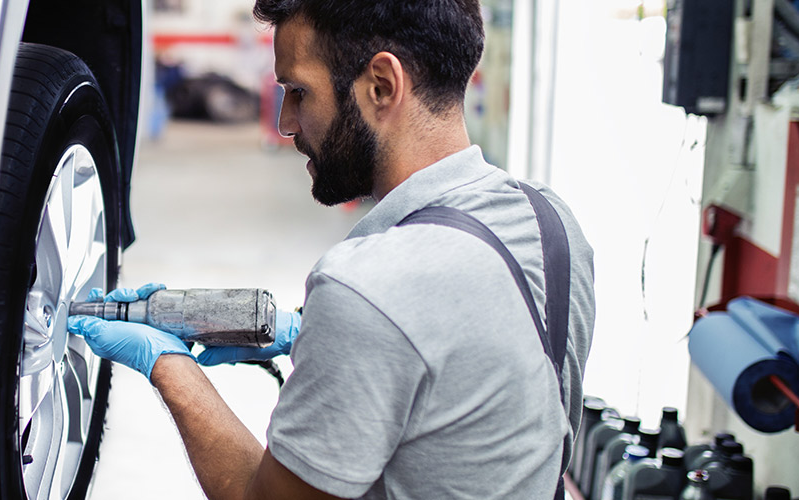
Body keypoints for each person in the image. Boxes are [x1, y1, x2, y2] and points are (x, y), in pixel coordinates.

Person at [67, 1, 596, 499]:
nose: (286, 123)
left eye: (298, 92)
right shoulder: (552, 223)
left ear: (382, 86)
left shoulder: (368, 287)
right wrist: (309, 333)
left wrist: (168, 367)